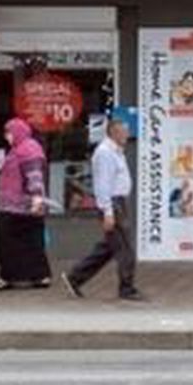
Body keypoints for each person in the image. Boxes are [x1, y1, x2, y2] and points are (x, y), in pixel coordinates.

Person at [64, 116, 141, 301]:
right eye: (124, 132)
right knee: (126, 249)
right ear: (114, 133)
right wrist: (108, 212)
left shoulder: (116, 151)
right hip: (113, 203)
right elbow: (102, 185)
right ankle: (126, 288)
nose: (128, 135)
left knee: (110, 247)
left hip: (119, 202)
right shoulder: (105, 153)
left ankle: (74, 277)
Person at [0, 116, 51, 292]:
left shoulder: (28, 150)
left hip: (20, 205)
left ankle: (10, 277)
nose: (7, 136)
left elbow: (34, 175)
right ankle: (37, 276)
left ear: (18, 132)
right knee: (30, 240)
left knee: (7, 238)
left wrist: (37, 198)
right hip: (17, 205)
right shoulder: (17, 150)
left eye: (9, 132)